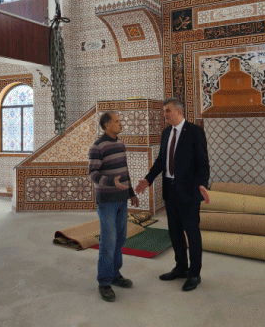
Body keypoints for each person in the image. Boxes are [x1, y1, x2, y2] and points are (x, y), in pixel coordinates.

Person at [135, 98, 210, 292]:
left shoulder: (195, 132)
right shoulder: (166, 133)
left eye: (167, 111)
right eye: (164, 111)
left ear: (178, 111)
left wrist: (202, 185)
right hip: (170, 191)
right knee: (174, 232)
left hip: (189, 192)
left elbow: (203, 163)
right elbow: (161, 160)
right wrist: (148, 179)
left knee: (192, 233)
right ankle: (181, 267)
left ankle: (194, 274)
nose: (165, 114)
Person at [89, 111, 140, 302]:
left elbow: (124, 171)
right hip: (107, 201)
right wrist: (112, 183)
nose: (121, 124)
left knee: (120, 238)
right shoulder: (97, 146)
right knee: (108, 241)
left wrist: (131, 192)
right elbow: (93, 174)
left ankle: (115, 274)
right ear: (107, 125)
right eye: (117, 121)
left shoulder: (120, 144)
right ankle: (104, 282)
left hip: (122, 199)